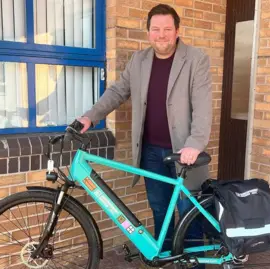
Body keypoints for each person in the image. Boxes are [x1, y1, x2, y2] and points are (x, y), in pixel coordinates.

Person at [77, 4, 212, 267]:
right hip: (151, 153)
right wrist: (89, 117)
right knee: (160, 209)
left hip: (184, 152)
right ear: (148, 32)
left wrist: (195, 144)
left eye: (167, 29)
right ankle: (169, 259)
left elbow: (204, 106)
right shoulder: (139, 61)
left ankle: (195, 263)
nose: (161, 35)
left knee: (189, 212)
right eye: (156, 29)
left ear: (177, 31)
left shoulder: (196, 59)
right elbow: (117, 92)